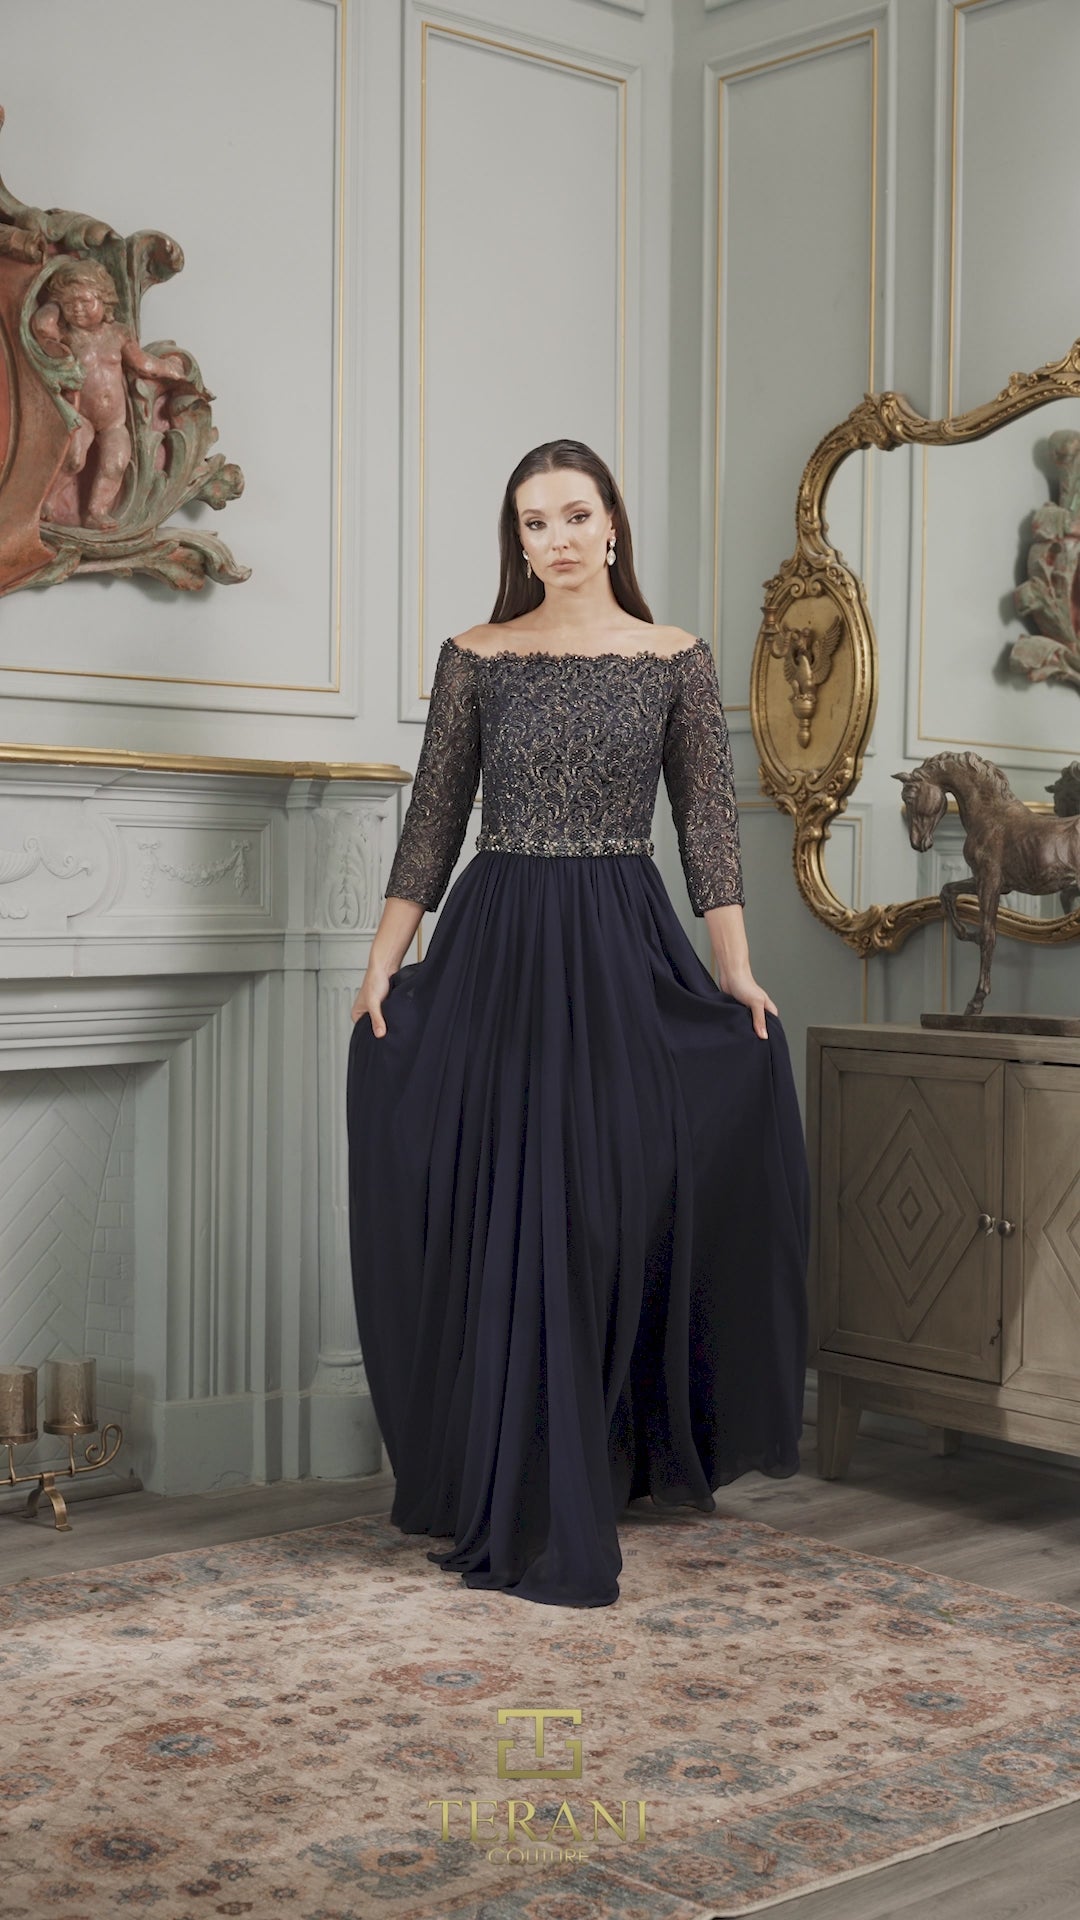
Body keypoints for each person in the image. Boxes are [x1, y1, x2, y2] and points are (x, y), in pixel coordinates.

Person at [346, 438, 809, 1610]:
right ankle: (518, 1478)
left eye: (573, 514)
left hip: (620, 945)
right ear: (519, 540)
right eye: (531, 522)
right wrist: (382, 965)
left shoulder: (675, 658)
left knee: (603, 1204)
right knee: (514, 1205)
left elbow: (708, 826)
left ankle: (602, 1456)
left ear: (613, 525)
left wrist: (736, 972)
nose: (553, 538)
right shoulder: (476, 656)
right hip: (498, 947)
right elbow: (432, 824)